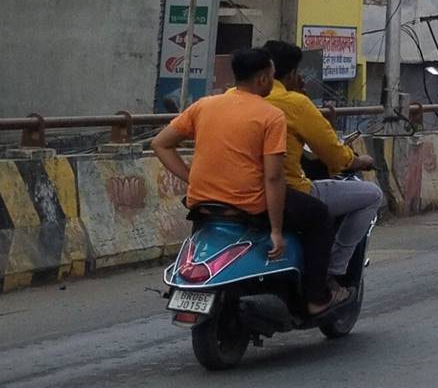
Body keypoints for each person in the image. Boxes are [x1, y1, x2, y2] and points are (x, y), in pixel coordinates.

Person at [150, 47, 342, 317]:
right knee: (320, 216)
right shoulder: (270, 115)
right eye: (273, 76)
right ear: (263, 79)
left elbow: (160, 143)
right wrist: (276, 230)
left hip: (203, 203)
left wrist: (190, 177)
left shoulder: (204, 105)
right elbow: (273, 177)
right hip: (248, 204)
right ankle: (317, 298)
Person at [261, 40, 381, 290]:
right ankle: (331, 273)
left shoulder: (232, 99)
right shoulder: (294, 103)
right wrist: (360, 161)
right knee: (371, 195)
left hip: (238, 188)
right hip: (287, 189)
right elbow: (334, 156)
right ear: (291, 73)